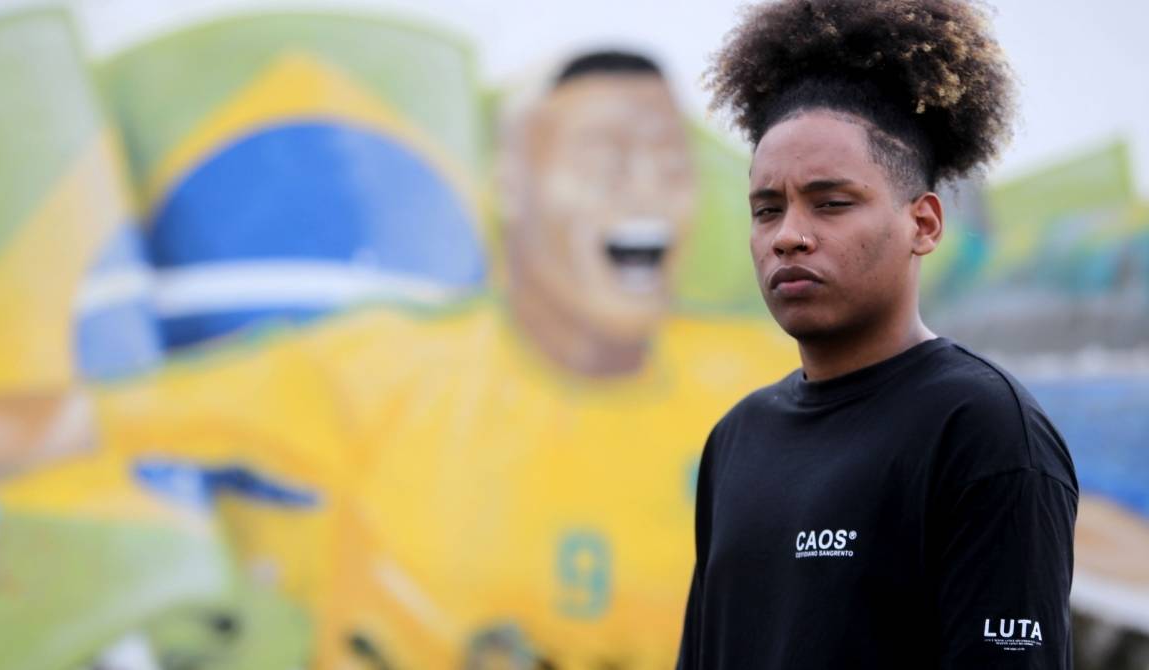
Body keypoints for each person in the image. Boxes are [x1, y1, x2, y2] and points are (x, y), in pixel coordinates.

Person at [98, 50, 797, 668]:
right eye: (602, 158)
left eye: (667, 163)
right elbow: (64, 424)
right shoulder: (382, 373)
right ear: (512, 187)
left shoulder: (770, 384)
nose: (642, 186)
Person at [676, 1, 1078, 668]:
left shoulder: (983, 429)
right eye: (766, 209)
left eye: (831, 203)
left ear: (922, 224)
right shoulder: (736, 438)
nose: (788, 236)